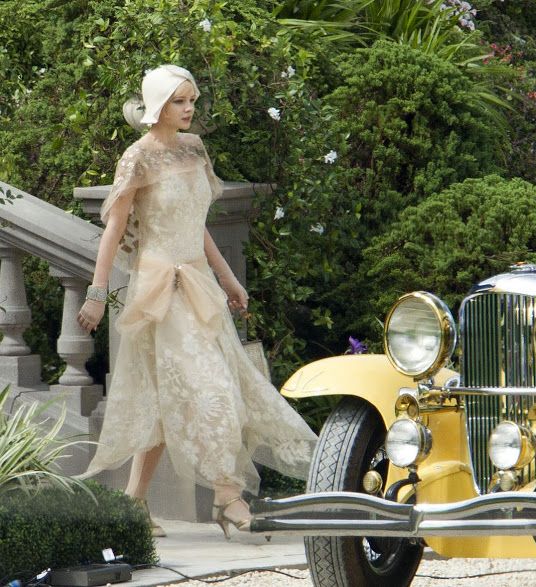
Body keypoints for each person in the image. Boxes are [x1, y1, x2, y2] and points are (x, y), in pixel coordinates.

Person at [77, 65, 317, 539]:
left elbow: (196, 223)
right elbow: (114, 230)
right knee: (213, 388)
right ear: (157, 106)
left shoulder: (193, 148)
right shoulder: (137, 158)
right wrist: (96, 295)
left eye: (192, 100)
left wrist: (228, 279)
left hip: (199, 286)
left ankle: (133, 503)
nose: (189, 109)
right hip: (159, 290)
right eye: (179, 101)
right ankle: (227, 497)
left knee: (167, 400)